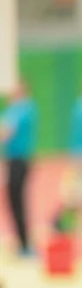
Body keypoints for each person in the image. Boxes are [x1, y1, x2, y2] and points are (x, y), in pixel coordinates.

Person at [0, 80, 37, 256]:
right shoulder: (14, 109)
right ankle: (21, 242)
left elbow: (7, 131)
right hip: (12, 160)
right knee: (13, 201)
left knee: (17, 201)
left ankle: (24, 243)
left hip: (19, 160)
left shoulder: (23, 107)